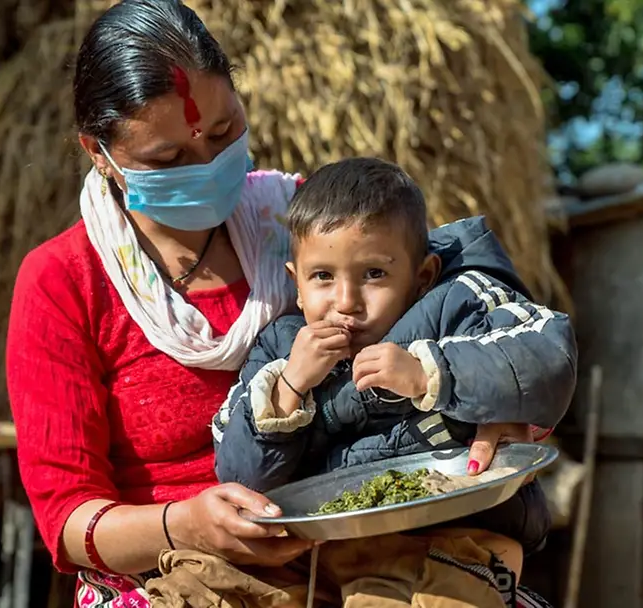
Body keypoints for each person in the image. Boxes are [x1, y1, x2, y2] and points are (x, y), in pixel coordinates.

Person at [5, 1, 557, 607]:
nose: (208, 164)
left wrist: (491, 396)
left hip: (365, 544)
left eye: (223, 134)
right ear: (98, 152)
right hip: (179, 572)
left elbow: (455, 270)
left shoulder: (298, 225)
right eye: (167, 160)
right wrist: (185, 524)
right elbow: (67, 522)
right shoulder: (63, 281)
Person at [208, 158, 576, 605]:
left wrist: (429, 373)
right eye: (323, 276)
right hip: (334, 550)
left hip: (461, 536)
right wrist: (288, 388)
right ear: (297, 284)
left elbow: (546, 357)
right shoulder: (280, 350)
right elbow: (239, 474)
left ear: (422, 276)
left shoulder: (459, 304)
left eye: (374, 275)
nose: (346, 302)